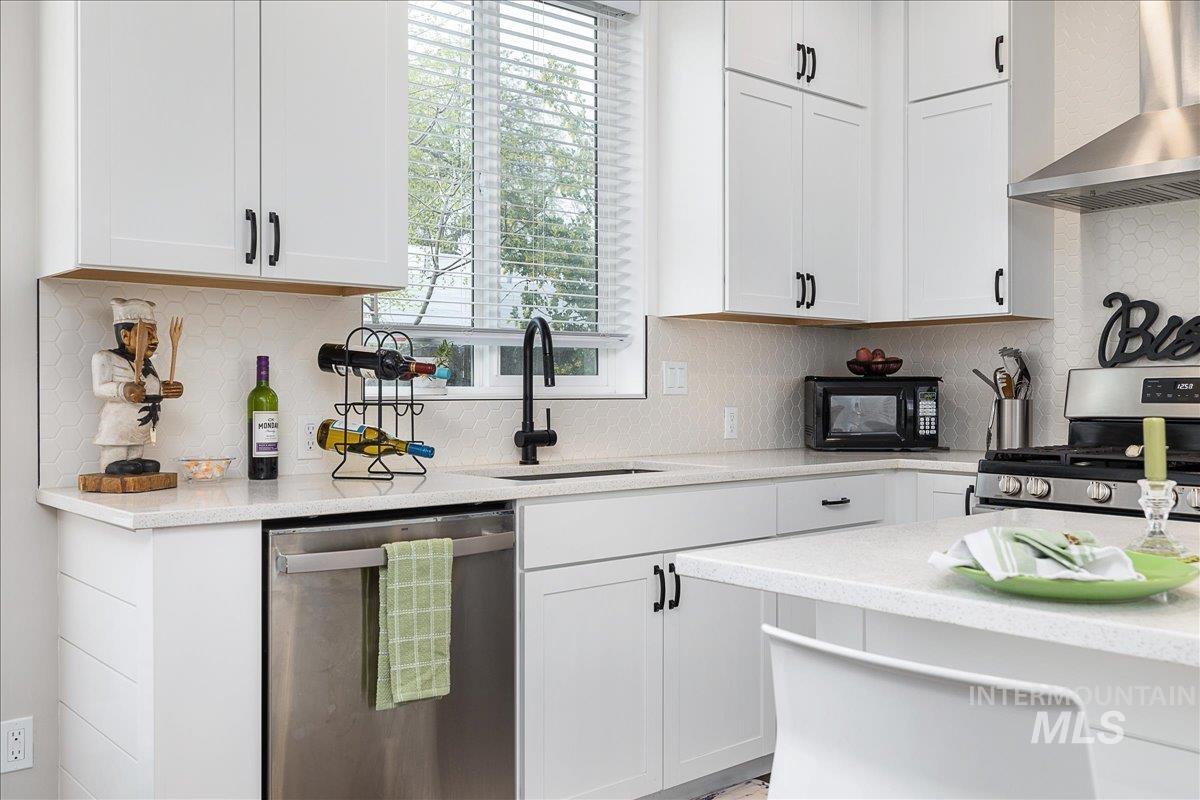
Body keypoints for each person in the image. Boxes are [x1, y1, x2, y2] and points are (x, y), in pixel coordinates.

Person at [90, 298, 183, 474]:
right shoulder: (105, 358)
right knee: (118, 444)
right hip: (118, 422)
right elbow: (100, 388)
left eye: (155, 334)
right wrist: (124, 390)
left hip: (143, 421)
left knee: (137, 448)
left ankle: (135, 460)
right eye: (147, 335)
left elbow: (150, 386)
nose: (155, 340)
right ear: (125, 336)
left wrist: (165, 389)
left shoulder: (147, 361)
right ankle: (112, 463)